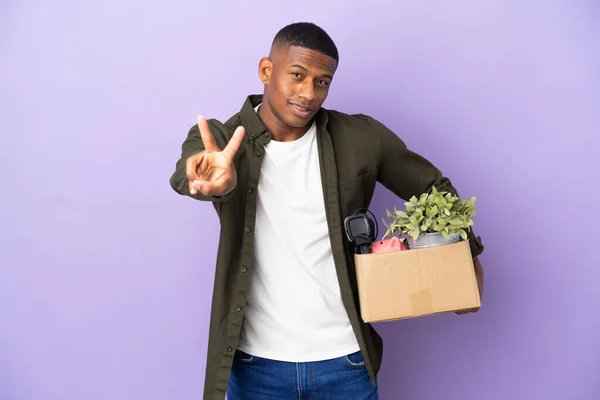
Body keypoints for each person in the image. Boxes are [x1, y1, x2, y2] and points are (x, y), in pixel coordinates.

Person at [169, 22, 484, 400]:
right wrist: (212, 182)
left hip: (345, 361)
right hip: (255, 366)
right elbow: (191, 172)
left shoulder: (361, 137)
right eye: (297, 76)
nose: (308, 94)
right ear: (267, 71)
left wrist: (465, 264)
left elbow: (437, 192)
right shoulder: (222, 140)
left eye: (322, 81)